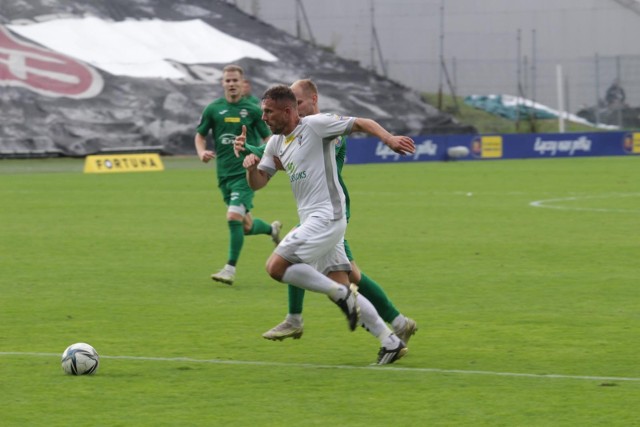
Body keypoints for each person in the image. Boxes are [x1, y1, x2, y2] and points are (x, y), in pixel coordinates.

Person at [240, 84, 416, 364]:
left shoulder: (315, 126)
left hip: (329, 214)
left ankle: (324, 304)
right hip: (313, 218)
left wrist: (389, 138)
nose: (263, 118)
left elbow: (362, 122)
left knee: (276, 267)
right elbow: (259, 182)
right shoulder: (275, 143)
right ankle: (390, 341)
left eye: (268, 112)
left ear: (288, 111)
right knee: (340, 282)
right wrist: (250, 168)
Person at [194, 64, 282, 286]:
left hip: (245, 175)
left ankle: (229, 269)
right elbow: (200, 135)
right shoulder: (213, 109)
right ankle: (271, 229)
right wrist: (201, 151)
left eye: (236, 80)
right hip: (223, 175)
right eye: (228, 80)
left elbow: (268, 139)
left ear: (243, 84)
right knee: (245, 226)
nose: (232, 84)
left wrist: (264, 161)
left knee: (233, 217)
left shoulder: (253, 110)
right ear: (222, 83)